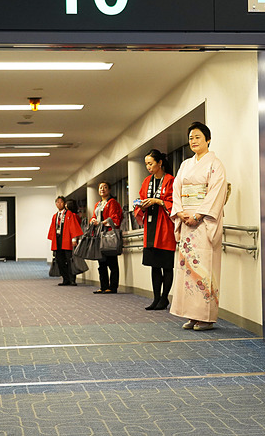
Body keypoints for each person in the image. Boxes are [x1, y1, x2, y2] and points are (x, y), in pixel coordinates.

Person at [171, 122, 227, 331]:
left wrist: (198, 214)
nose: (193, 141)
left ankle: (206, 316)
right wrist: (181, 213)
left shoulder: (216, 165)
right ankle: (192, 315)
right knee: (188, 270)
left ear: (208, 140)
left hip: (204, 222)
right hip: (187, 220)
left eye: (197, 137)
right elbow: (176, 190)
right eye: (191, 138)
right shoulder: (185, 165)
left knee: (205, 267)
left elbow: (216, 193)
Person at [133, 149, 176, 310]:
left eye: (151, 164)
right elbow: (141, 198)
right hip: (150, 227)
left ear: (160, 163)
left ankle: (165, 298)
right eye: (146, 164)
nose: (148, 167)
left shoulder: (170, 180)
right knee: (154, 265)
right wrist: (141, 205)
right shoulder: (146, 181)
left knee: (166, 265)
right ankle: (156, 298)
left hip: (165, 227)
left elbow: (174, 203)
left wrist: (158, 201)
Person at [90, 181, 123, 294]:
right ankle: (103, 286)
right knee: (101, 263)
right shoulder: (98, 204)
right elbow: (94, 216)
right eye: (100, 188)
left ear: (109, 190)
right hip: (99, 235)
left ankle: (113, 287)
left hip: (109, 236)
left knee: (112, 262)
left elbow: (115, 218)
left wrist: (102, 222)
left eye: (105, 187)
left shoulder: (112, 202)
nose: (102, 190)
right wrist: (93, 220)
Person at [47, 196, 83, 286]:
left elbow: (73, 226)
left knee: (69, 260)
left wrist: (74, 238)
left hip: (67, 240)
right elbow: (52, 228)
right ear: (55, 204)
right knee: (60, 260)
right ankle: (65, 279)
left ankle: (72, 279)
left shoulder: (69, 214)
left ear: (64, 203)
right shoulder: (55, 216)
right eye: (57, 202)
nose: (59, 204)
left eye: (61, 202)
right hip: (58, 239)